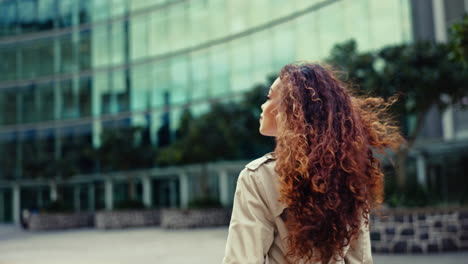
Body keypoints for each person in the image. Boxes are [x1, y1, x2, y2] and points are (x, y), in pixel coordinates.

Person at [223, 63, 404, 264]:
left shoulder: (258, 176)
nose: (263, 106)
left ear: (289, 111)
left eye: (269, 98)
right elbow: (359, 259)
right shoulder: (348, 172)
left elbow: (242, 259)